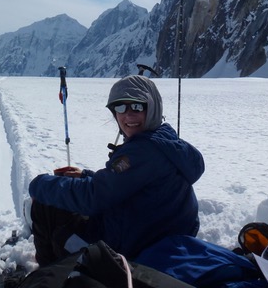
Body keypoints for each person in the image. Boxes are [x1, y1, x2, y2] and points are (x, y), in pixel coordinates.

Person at [28, 74, 205, 266]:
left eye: (137, 106)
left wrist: (39, 184)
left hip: (131, 251)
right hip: (156, 234)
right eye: (120, 107)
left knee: (48, 212)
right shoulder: (165, 141)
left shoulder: (143, 151)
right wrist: (85, 176)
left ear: (152, 108)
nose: (128, 115)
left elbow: (92, 197)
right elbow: (128, 183)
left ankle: (48, 275)